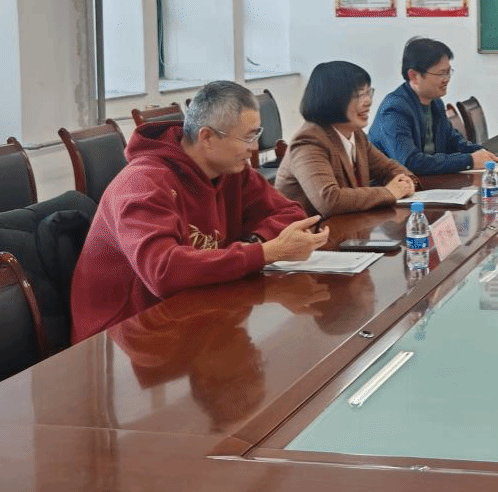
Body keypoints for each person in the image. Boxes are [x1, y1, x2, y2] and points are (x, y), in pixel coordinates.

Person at [70, 81, 329, 342]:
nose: (254, 148)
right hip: (126, 335)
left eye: (256, 135)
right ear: (206, 137)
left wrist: (253, 243)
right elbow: (163, 271)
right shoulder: (143, 183)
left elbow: (291, 214)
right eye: (247, 137)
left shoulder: (231, 172)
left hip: (193, 307)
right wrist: (265, 252)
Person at [275, 61, 417, 216]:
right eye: (359, 95)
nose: (368, 102)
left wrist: (406, 181)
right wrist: (389, 192)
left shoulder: (356, 134)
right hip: (309, 228)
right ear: (332, 99)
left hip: (348, 225)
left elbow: (389, 169)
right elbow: (329, 200)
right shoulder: (308, 141)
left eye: (368, 93)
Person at [369, 37, 498, 175]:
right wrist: (469, 161)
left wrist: (481, 152)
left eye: (448, 72)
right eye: (441, 73)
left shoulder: (435, 102)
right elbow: (410, 162)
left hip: (430, 180)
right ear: (414, 76)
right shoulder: (395, 109)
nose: (447, 79)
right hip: (398, 184)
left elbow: (453, 141)